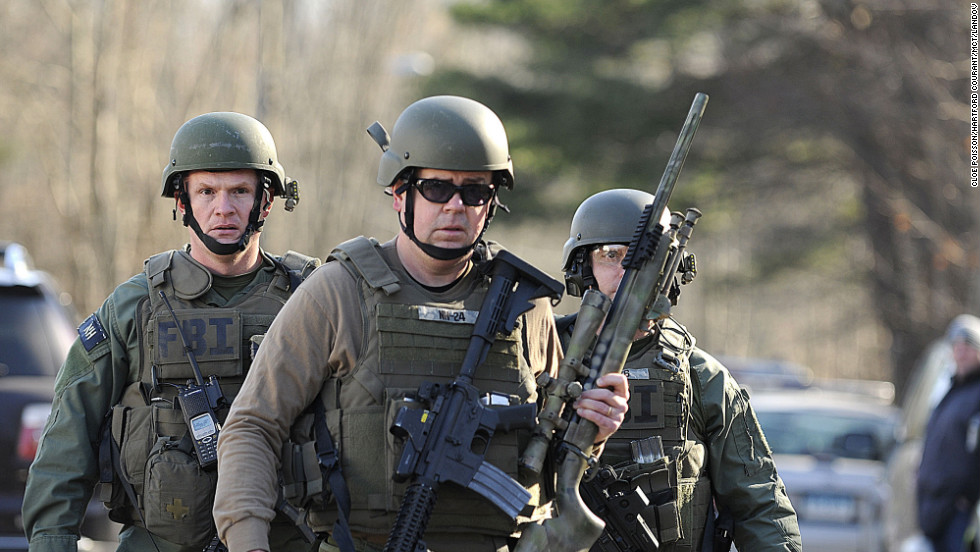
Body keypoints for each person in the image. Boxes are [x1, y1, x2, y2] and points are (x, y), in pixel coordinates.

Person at [212, 95, 630, 552]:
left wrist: (594, 433)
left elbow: (546, 452)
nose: (455, 206)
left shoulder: (524, 306)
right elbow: (254, 425)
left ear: (491, 203)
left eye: (474, 191)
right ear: (399, 193)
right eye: (436, 188)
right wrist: (249, 542)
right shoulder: (338, 292)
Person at [22, 112, 321, 552]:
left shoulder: (311, 299)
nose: (224, 208)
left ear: (267, 200)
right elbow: (70, 430)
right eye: (207, 192)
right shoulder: (135, 305)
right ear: (181, 201)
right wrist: (52, 540)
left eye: (240, 190)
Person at [558, 188, 802, 551]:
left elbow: (760, 506)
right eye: (612, 255)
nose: (629, 271)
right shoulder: (542, 354)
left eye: (646, 259)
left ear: (669, 272)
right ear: (584, 267)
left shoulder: (701, 376)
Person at [916, 314, 980, 552]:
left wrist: (967, 497)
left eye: (968, 348)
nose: (961, 353)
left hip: (961, 512)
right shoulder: (950, 389)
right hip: (934, 508)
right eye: (957, 347)